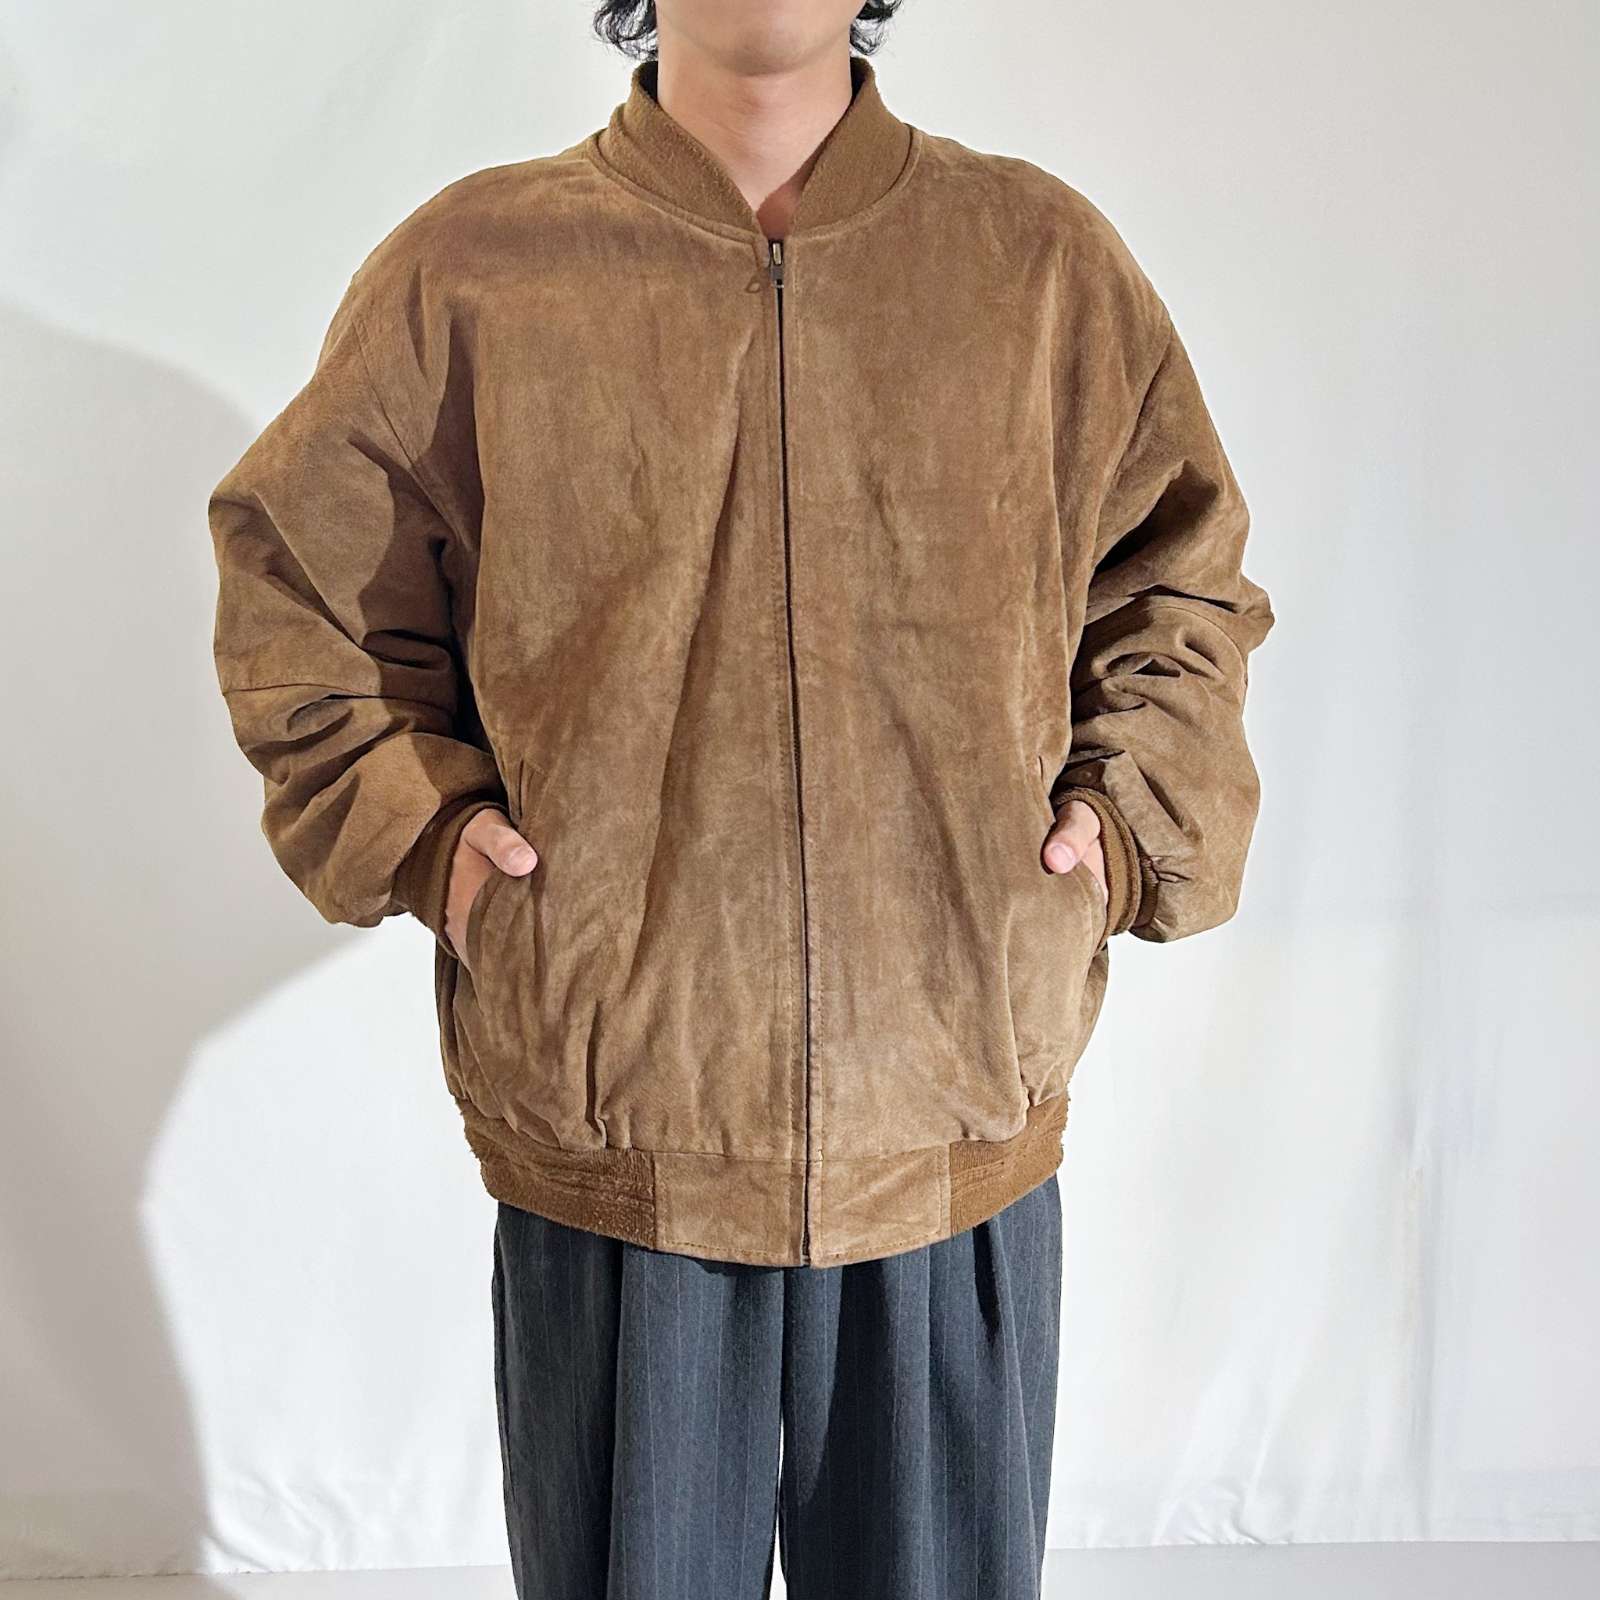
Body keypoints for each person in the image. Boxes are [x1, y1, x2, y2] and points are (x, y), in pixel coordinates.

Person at [206, 1, 1275, 1594]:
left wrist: (1117, 839)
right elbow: (305, 598)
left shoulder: (1040, 266)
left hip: (952, 1113)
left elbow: (1180, 591)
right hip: (621, 1128)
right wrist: (434, 846)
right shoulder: (475, 272)